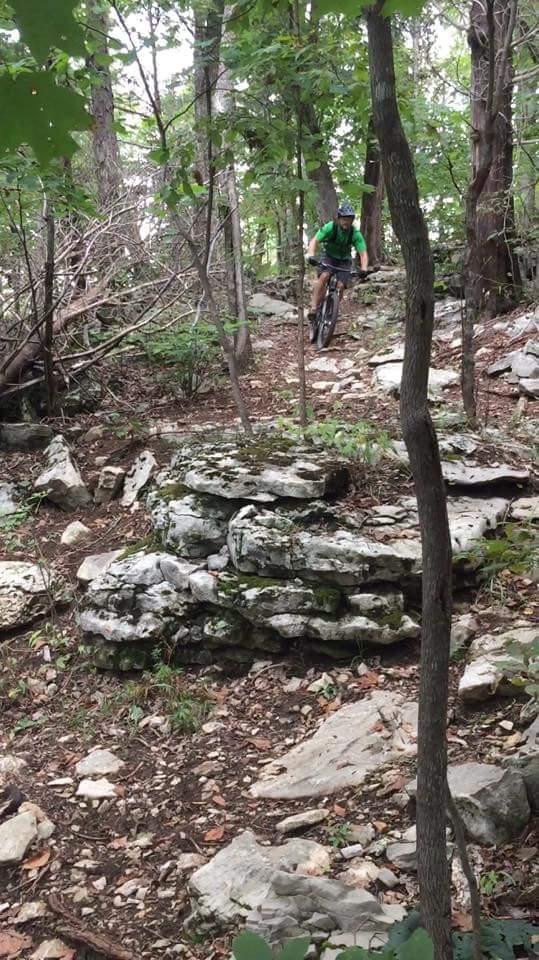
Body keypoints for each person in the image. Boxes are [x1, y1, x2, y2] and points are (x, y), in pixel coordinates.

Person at [306, 202, 369, 324]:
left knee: (340, 286)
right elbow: (315, 240)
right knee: (324, 276)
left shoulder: (355, 234)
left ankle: (332, 309)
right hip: (329, 256)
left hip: (344, 260)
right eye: (344, 219)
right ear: (339, 219)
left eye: (349, 219)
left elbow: (363, 253)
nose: (346, 222)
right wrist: (311, 255)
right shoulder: (331, 227)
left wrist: (364, 268)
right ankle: (313, 308)